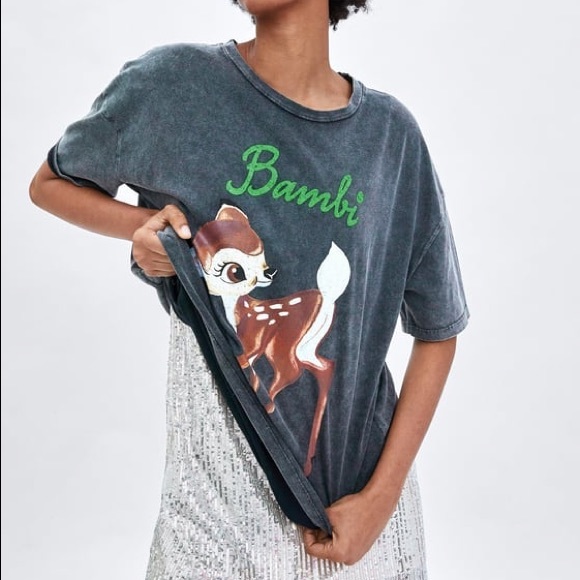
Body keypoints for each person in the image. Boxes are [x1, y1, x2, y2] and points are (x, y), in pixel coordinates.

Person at [29, 0, 469, 578]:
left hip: (363, 518)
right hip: (215, 501)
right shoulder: (174, 86)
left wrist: (380, 501)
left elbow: (438, 329)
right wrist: (141, 227)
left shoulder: (391, 137)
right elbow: (51, 183)